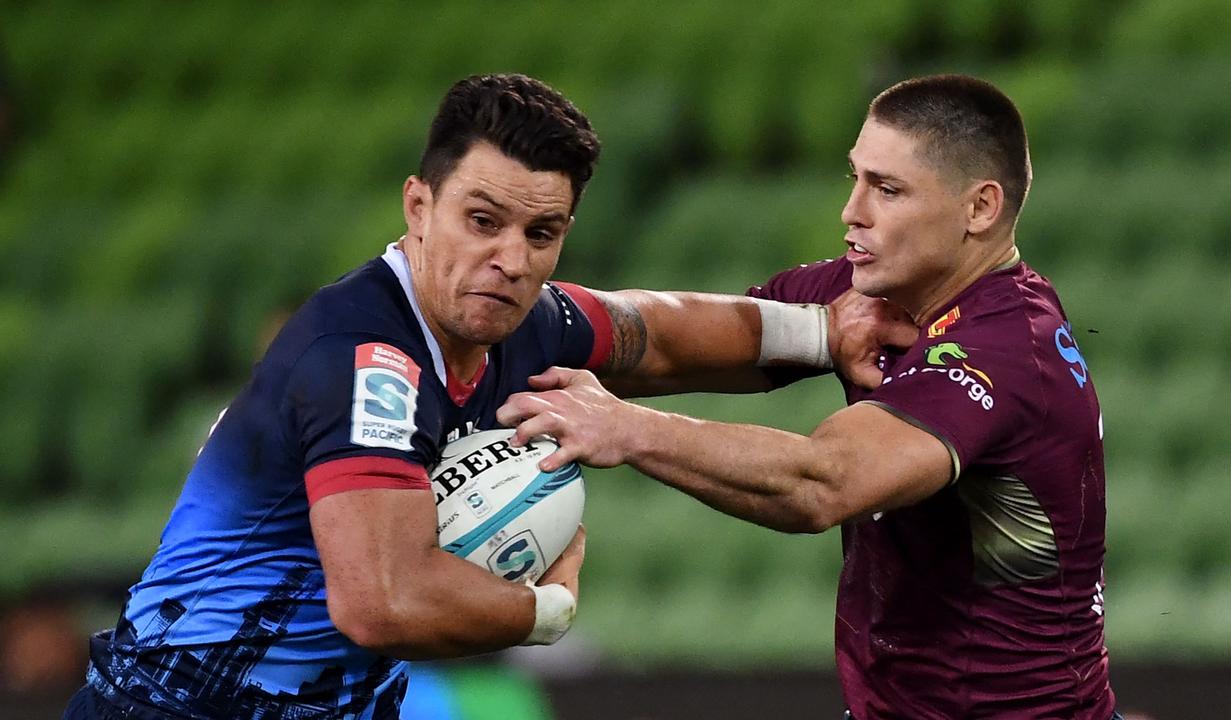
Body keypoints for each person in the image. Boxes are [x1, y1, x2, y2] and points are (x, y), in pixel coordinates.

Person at [63, 74, 902, 720]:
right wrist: (543, 612)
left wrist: (821, 335)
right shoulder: (365, 358)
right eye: (482, 220)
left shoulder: (519, 321)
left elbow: (659, 330)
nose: (512, 257)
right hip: (177, 703)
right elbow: (381, 602)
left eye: (542, 233)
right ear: (418, 207)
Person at [498, 74, 1118, 718]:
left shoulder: (1009, 350)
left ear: (980, 209)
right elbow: (672, 339)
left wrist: (626, 428)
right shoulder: (876, 295)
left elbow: (823, 483)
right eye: (856, 178)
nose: (853, 211)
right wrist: (528, 319)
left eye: (887, 189)